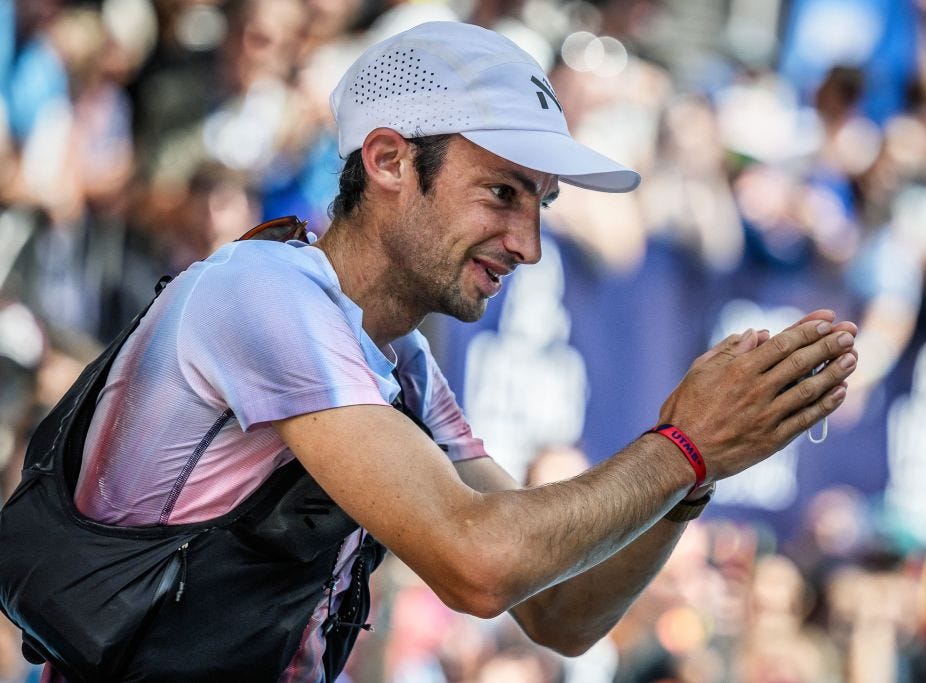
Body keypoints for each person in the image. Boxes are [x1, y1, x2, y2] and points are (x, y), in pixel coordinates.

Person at [0, 21, 859, 682]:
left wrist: (692, 475)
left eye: (541, 203)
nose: (526, 243)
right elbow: (477, 563)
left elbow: (557, 609)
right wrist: (681, 448)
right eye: (500, 192)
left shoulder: (399, 355)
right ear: (386, 161)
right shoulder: (263, 292)